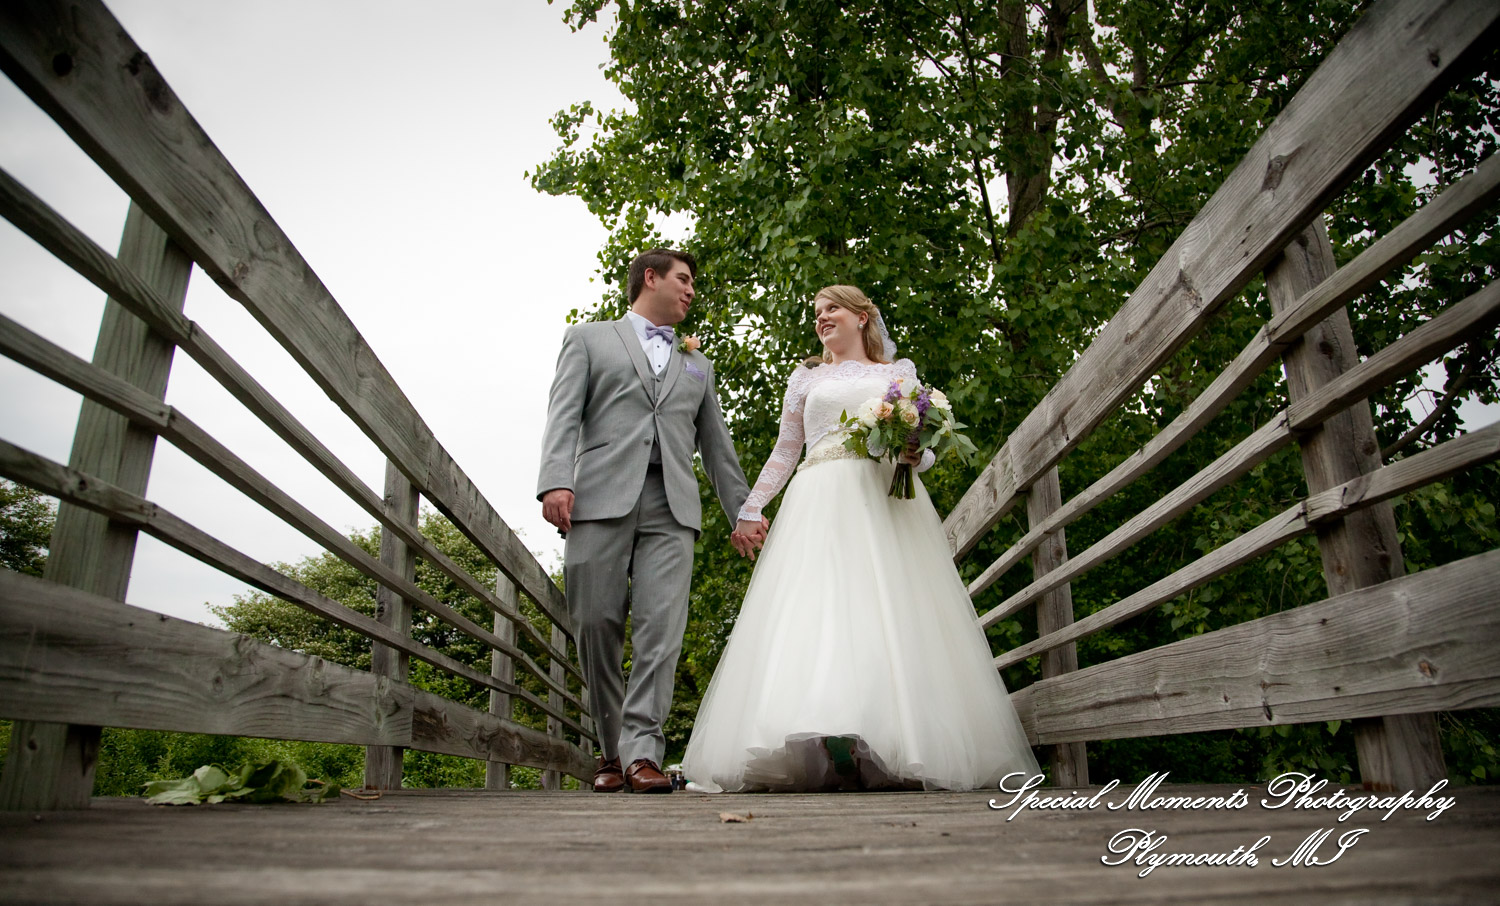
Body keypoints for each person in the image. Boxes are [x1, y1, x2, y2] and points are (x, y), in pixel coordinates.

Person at [681, 285, 1040, 792]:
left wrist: (917, 455)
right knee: (817, 610)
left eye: (831, 309)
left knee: (887, 611)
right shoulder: (807, 377)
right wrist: (751, 507)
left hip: (884, 502)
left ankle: (896, 745)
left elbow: (921, 448)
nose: (822, 318)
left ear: (862, 317)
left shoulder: (898, 376)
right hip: (818, 500)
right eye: (816, 312)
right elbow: (787, 450)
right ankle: (826, 738)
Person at [538, 248, 766, 794]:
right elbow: (563, 413)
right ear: (650, 278)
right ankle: (611, 751)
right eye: (683, 280)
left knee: (660, 630)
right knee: (594, 622)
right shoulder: (588, 339)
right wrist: (555, 479)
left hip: (673, 506)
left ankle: (643, 753)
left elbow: (717, 449)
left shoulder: (698, 365)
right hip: (597, 498)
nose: (691, 291)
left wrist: (745, 512)